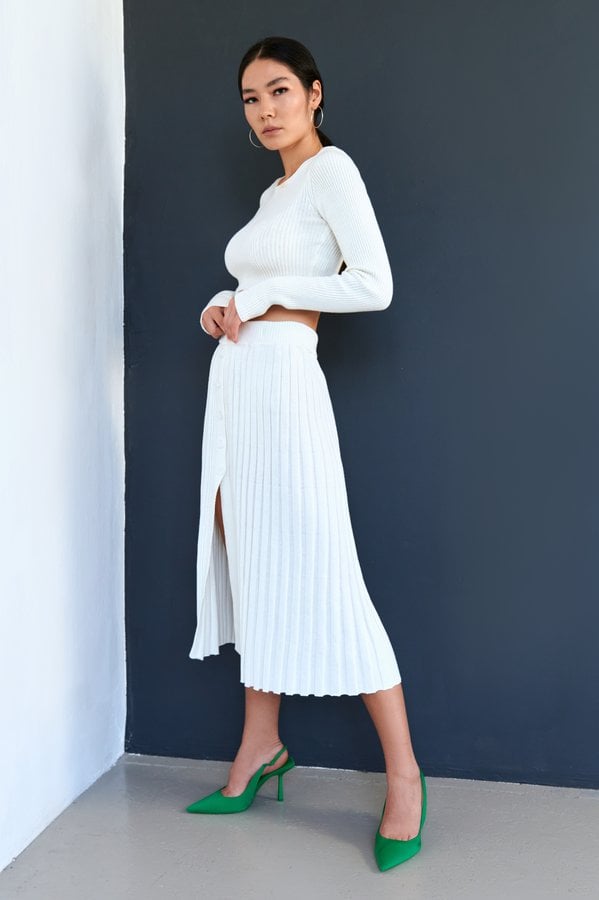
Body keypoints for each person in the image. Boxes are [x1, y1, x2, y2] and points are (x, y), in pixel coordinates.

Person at [186, 35, 427, 871]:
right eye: (250, 98)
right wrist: (223, 302)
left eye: (279, 90)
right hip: (239, 386)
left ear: (314, 93)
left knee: (324, 567)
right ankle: (261, 743)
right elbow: (256, 285)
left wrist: (268, 295)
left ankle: (404, 777)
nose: (264, 110)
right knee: (251, 559)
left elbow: (372, 284)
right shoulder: (274, 193)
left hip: (286, 385)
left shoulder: (332, 172)